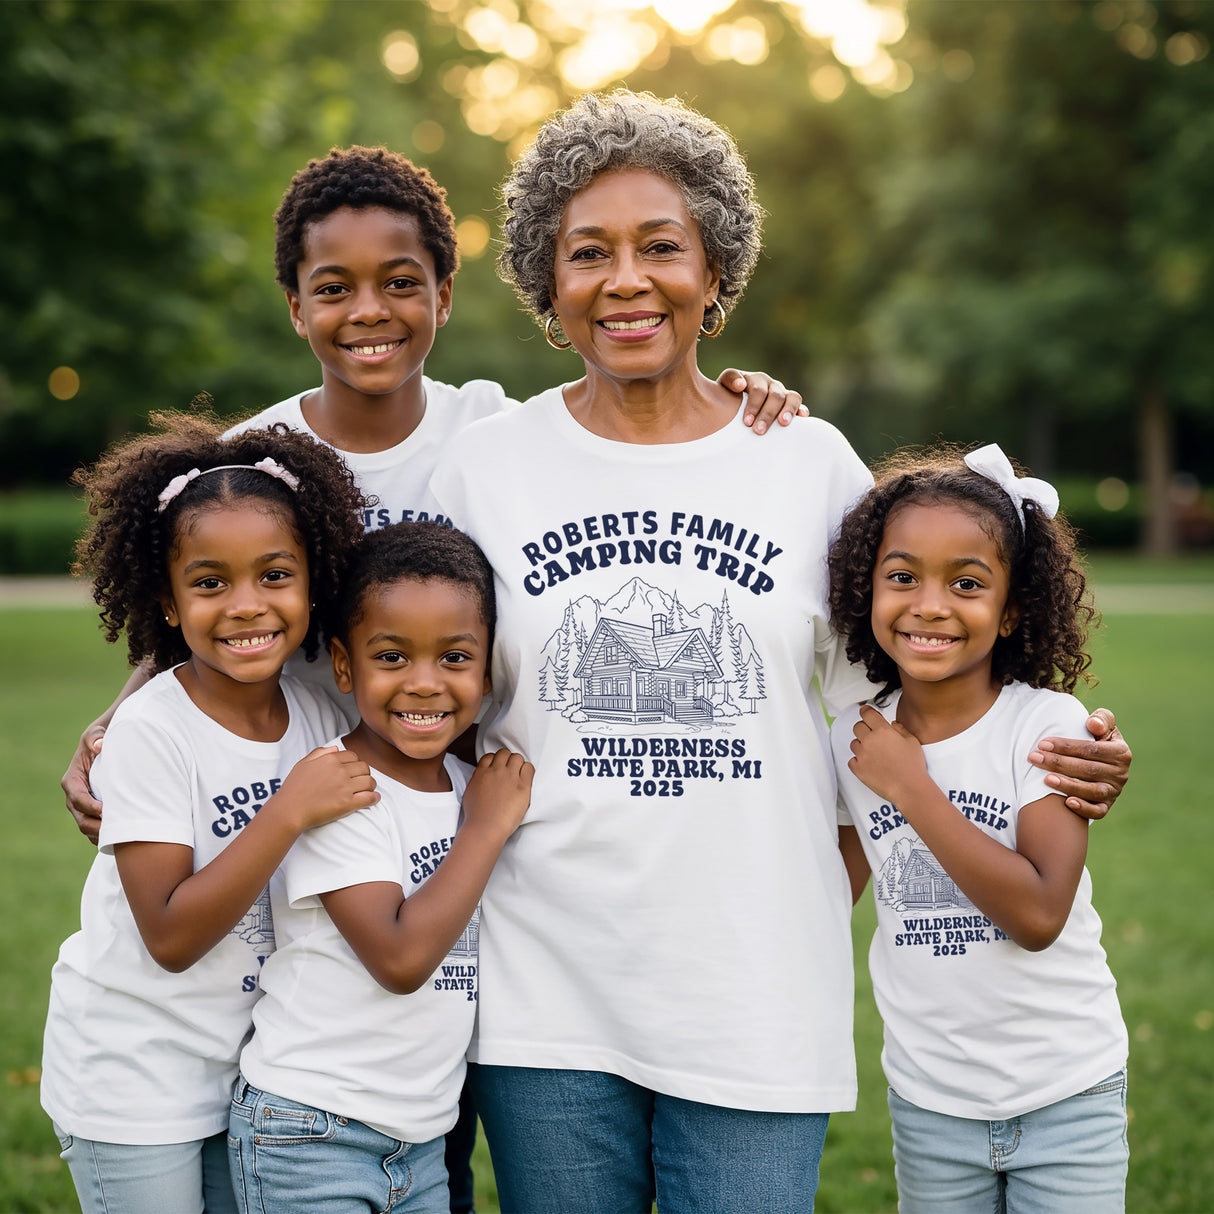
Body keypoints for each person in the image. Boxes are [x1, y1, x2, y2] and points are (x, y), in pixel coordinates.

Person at [57, 143, 809, 1212]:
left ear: (445, 295)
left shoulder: (491, 432)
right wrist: (117, 714)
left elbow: (626, 423)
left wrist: (744, 393)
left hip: (421, 857)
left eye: (401, 282)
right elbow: (187, 620)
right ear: (293, 305)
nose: (370, 311)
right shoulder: (251, 451)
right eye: (334, 287)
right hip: (281, 867)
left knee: (422, 1142)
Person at [427, 90, 1132, 1213]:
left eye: (662, 248)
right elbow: (403, 682)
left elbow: (907, 697)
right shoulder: (483, 467)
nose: (625, 280)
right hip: (541, 989)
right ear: (545, 286)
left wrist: (1067, 741)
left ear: (715, 276)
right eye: (586, 253)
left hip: (754, 992)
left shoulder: (803, 461)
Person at [41, 412, 378, 1214]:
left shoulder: (316, 717)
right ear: (166, 599)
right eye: (209, 582)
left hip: (252, 1073)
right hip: (135, 1077)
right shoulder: (153, 730)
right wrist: (287, 811)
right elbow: (170, 936)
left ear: (314, 580)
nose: (246, 606)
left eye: (274, 575)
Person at [828, 444, 1129, 1212]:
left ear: (1013, 608)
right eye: (902, 577)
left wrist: (911, 788)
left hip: (1065, 1090)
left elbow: (1037, 914)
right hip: (931, 1100)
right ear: (866, 588)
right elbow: (827, 895)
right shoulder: (852, 739)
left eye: (967, 583)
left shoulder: (1045, 725)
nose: (930, 605)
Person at [227, 522, 533, 1213]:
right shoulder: (340, 788)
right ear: (344, 666)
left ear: (488, 671)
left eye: (455, 658)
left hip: (420, 1139)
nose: (424, 684)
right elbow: (398, 959)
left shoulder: (467, 784)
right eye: (391, 658)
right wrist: (485, 831)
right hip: (310, 1130)